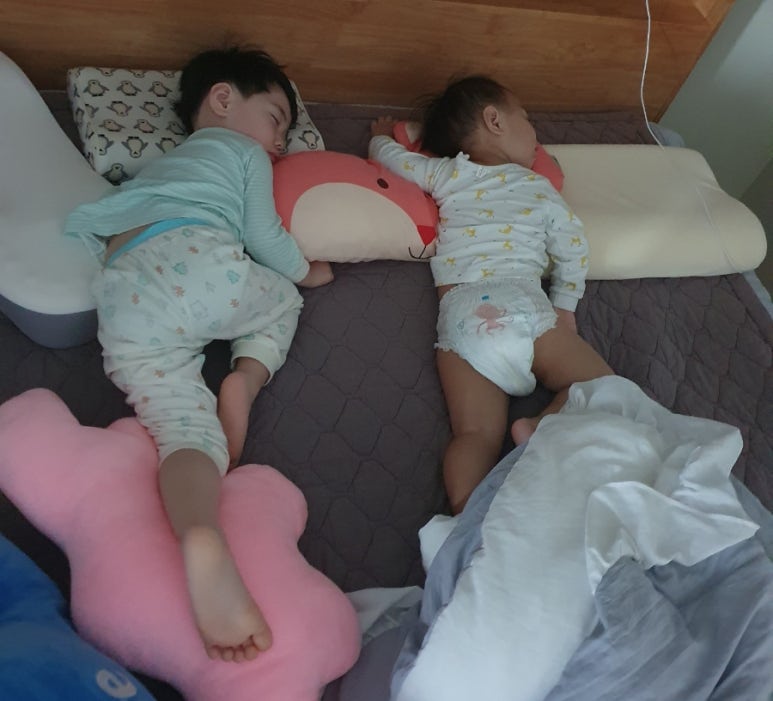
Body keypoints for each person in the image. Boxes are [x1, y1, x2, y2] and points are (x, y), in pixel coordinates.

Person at [64, 46, 333, 662]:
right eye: (276, 120)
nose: (280, 143)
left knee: (179, 428)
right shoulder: (241, 153)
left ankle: (199, 530)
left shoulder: (152, 171)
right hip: (202, 264)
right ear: (223, 99)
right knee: (281, 302)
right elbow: (264, 235)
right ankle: (245, 378)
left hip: (125, 294)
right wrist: (306, 271)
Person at [369, 76, 613, 514]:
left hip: (460, 316)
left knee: (475, 435)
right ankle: (539, 429)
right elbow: (573, 248)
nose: (536, 134)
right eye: (528, 119)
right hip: (521, 303)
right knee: (600, 388)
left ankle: (466, 520)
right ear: (495, 121)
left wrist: (379, 138)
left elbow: (396, 160)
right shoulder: (537, 186)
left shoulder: (447, 174)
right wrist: (564, 307)